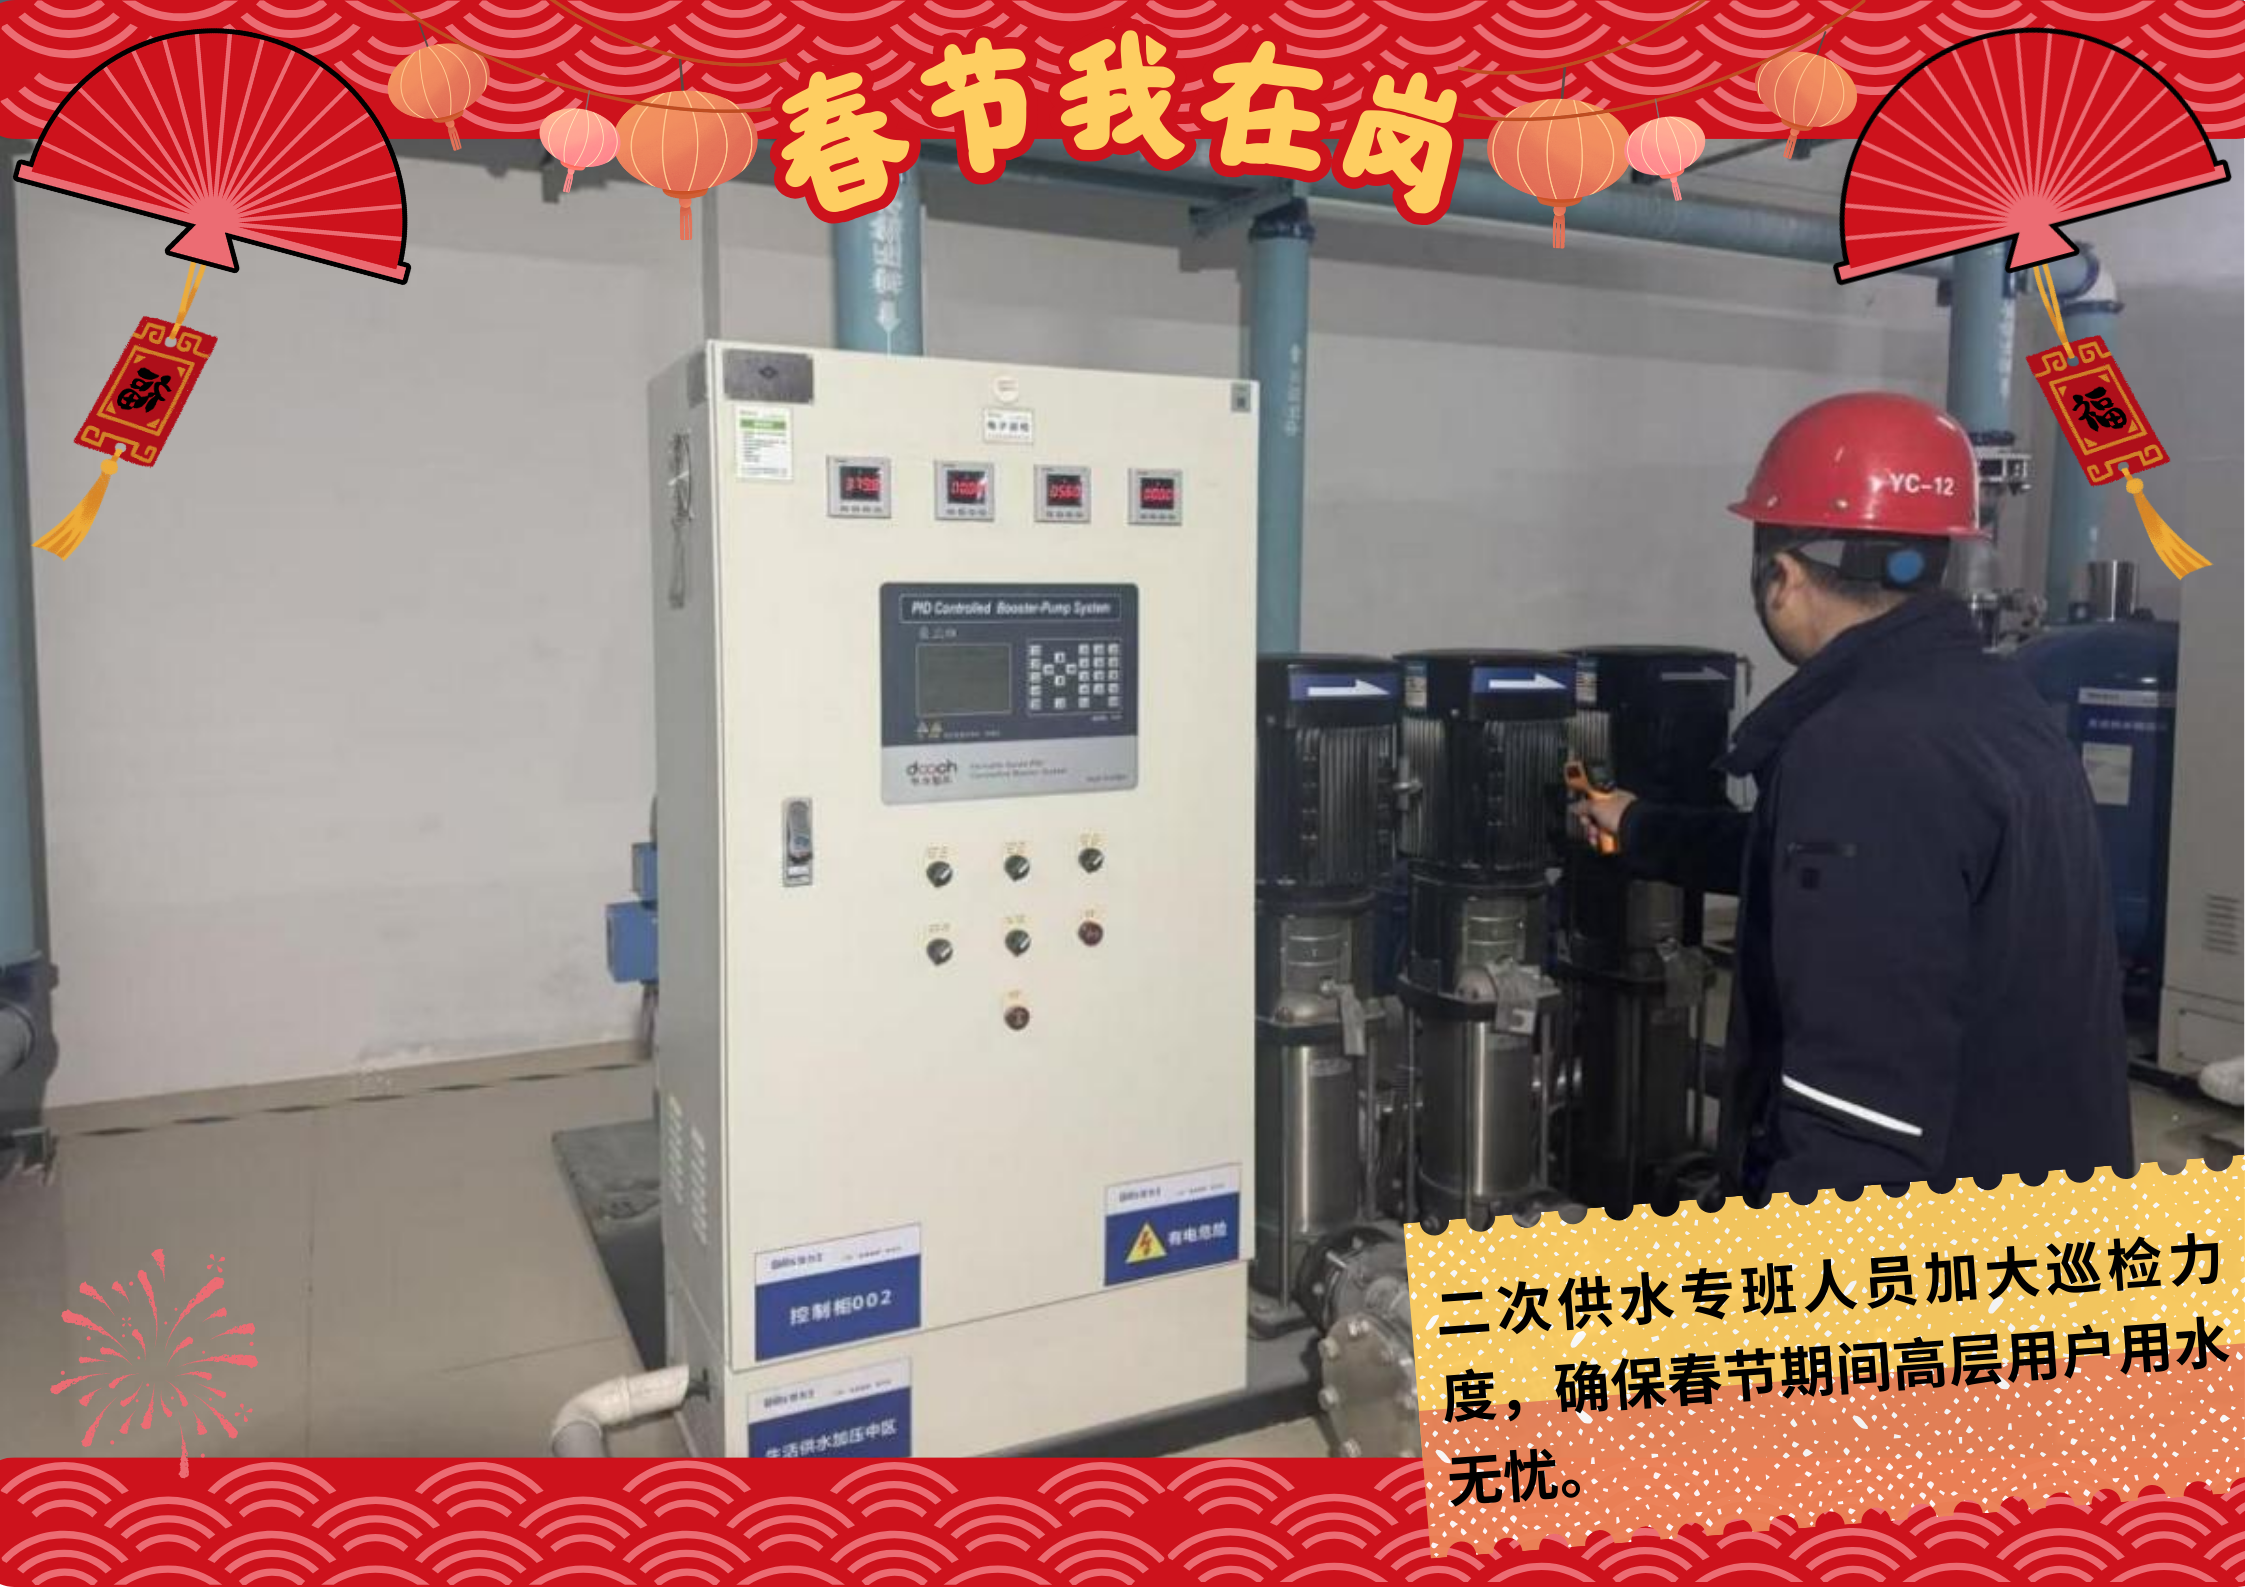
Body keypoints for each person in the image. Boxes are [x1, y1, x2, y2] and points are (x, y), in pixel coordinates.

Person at [1571, 391, 2131, 1196]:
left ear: (1782, 576)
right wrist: (1640, 827)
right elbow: (1832, 867)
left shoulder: (1860, 750)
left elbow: (1858, 1112)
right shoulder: (1996, 703)